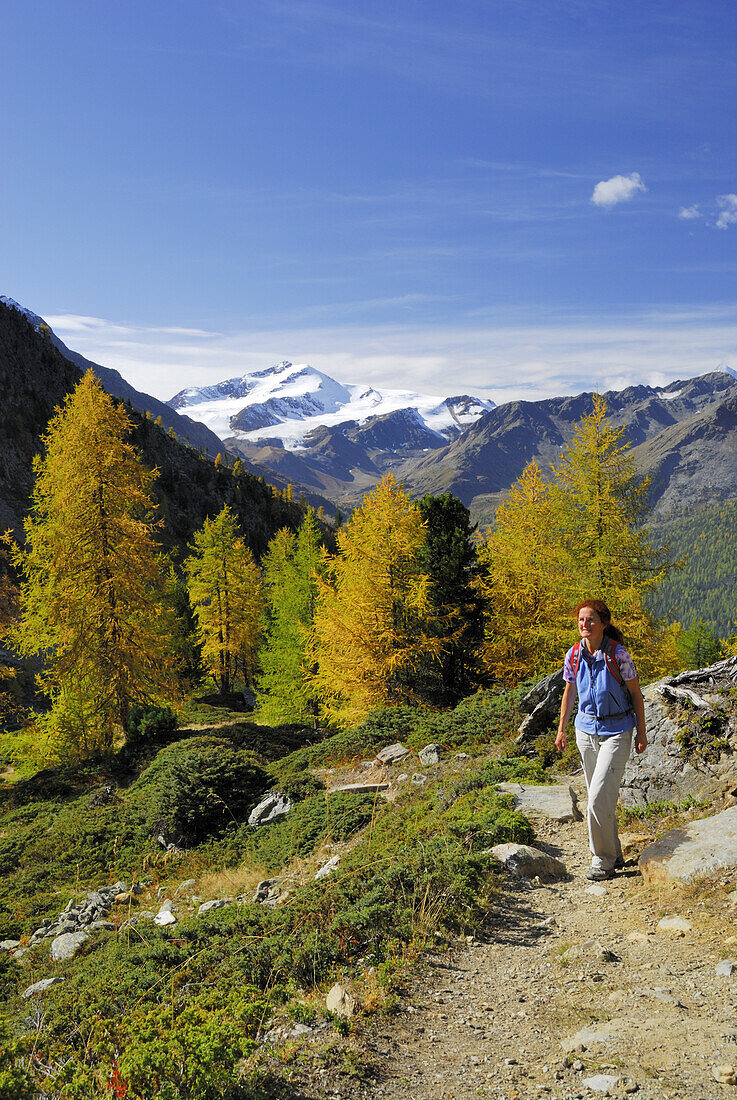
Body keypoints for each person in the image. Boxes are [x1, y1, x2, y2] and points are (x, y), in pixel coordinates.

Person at [555, 599, 647, 881]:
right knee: (602, 798)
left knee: (595, 799)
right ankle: (614, 851)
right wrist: (561, 729)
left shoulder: (618, 655)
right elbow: (569, 693)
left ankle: (602, 860)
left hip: (617, 730)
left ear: (604, 623)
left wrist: (641, 733)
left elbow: (636, 695)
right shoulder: (573, 655)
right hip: (584, 730)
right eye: (581, 620)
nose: (585, 624)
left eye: (591, 620)